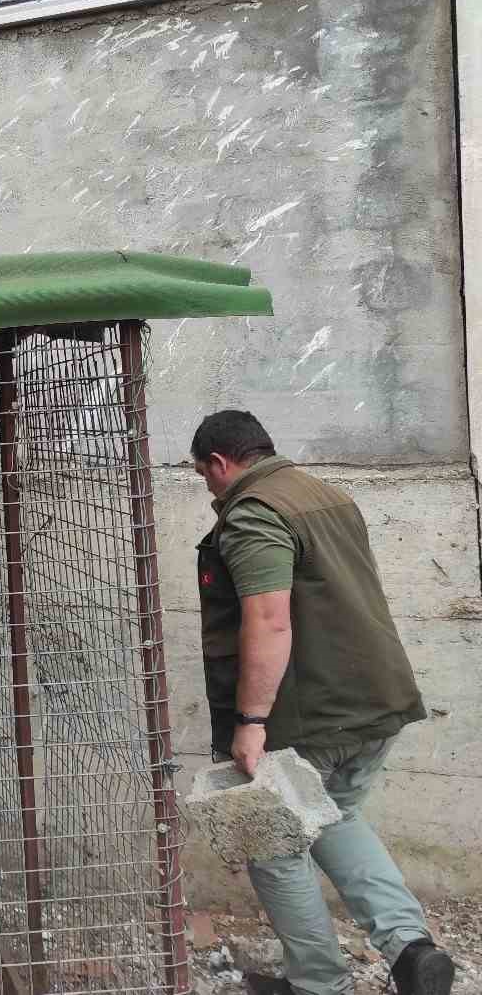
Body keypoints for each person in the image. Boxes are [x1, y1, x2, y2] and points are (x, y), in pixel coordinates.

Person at [190, 411, 453, 995]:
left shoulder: (257, 511)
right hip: (377, 698)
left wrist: (252, 722)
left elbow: (268, 619)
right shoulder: (326, 495)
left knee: (273, 843)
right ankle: (410, 949)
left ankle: (318, 985)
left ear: (218, 463)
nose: (210, 489)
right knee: (336, 815)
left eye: (205, 477)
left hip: (313, 714)